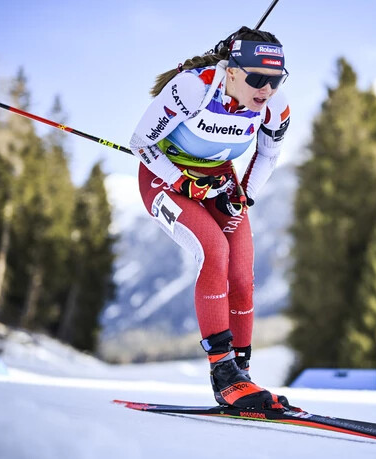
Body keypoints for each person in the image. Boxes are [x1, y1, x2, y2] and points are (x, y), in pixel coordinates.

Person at [128, 26, 291, 410]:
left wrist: (245, 196)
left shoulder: (275, 106)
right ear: (232, 71)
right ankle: (222, 373)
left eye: (276, 79)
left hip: (220, 181)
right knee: (214, 252)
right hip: (164, 178)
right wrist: (181, 183)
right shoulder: (193, 88)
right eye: (257, 78)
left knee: (242, 273)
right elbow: (141, 142)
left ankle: (241, 376)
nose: (266, 89)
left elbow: (268, 155)